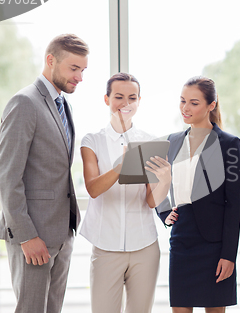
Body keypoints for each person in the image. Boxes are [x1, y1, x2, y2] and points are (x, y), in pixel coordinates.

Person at [0, 34, 89, 312]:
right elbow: (7, 176)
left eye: (83, 70)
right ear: (51, 61)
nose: (80, 77)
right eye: (74, 68)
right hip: (33, 237)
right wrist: (26, 235)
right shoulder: (24, 103)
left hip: (62, 233)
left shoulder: (64, 105)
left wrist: (67, 231)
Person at [80, 73, 171, 313]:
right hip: (106, 247)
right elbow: (93, 189)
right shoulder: (92, 141)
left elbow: (151, 201)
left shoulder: (150, 142)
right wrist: (121, 166)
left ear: (139, 101)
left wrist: (165, 181)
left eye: (132, 97)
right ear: (106, 99)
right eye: (118, 96)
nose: (125, 103)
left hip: (145, 248)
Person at [156, 76, 240, 313]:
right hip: (182, 237)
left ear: (211, 105)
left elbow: (234, 204)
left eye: (194, 103)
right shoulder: (171, 142)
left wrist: (229, 255)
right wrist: (163, 211)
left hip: (215, 244)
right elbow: (157, 181)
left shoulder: (229, 144)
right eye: (183, 101)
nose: (186, 108)